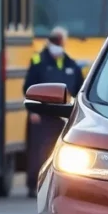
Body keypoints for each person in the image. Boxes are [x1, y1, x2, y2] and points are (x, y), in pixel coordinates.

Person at [24, 26, 83, 198]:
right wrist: (32, 110)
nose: (58, 46)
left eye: (60, 42)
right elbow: (28, 87)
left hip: (64, 117)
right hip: (43, 115)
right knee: (39, 152)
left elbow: (79, 88)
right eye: (55, 42)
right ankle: (34, 185)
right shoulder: (38, 62)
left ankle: (62, 185)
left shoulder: (71, 64)